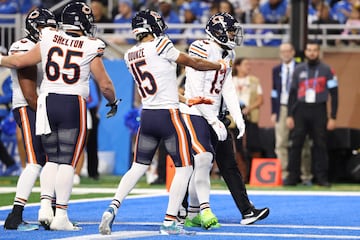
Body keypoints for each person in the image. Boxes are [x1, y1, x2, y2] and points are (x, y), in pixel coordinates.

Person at [98, 9, 229, 236]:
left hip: (148, 115)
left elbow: (157, 87)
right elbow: (193, 62)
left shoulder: (130, 54)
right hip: (169, 116)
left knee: (138, 167)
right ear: (153, 27)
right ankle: (170, 220)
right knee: (185, 167)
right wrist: (219, 66)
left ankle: (112, 207)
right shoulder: (161, 45)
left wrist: (187, 98)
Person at [0, 2, 119, 230]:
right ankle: (60, 215)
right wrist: (113, 101)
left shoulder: (49, 39)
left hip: (47, 100)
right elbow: (105, 84)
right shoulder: (91, 44)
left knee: (50, 160)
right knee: (66, 161)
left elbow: (17, 62)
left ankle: (46, 207)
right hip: (70, 102)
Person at [179, 12, 268, 229]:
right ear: (217, 31)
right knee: (196, 164)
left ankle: (247, 211)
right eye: (229, 31)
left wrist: (237, 115)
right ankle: (183, 209)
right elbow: (196, 90)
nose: (232, 35)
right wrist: (212, 119)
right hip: (197, 113)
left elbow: (226, 86)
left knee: (229, 164)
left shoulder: (228, 53)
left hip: (215, 114)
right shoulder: (201, 47)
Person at [3, 8, 57, 231]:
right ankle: (15, 216)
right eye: (47, 26)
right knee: (35, 161)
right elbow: (29, 92)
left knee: (49, 160)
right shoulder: (23, 46)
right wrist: (47, 115)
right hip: (28, 107)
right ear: (35, 27)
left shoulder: (46, 45)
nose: (52, 31)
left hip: (39, 106)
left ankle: (52, 210)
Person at [285, 40, 338, 187]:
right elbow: (292, 94)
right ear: (306, 52)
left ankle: (321, 178)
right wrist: (290, 115)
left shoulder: (327, 70)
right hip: (301, 110)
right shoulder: (298, 70)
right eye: (309, 50)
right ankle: (292, 177)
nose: (312, 52)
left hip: (319, 110)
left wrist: (333, 116)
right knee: (296, 144)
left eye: (314, 50)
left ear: (318, 52)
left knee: (320, 145)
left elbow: (335, 94)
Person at [271, 42, 313, 185]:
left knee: (303, 142)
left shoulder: (302, 68)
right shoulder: (276, 70)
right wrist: (273, 111)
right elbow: (274, 91)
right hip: (282, 107)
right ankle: (285, 174)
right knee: (281, 143)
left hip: (299, 107)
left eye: (288, 51)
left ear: (293, 52)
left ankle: (305, 175)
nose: (285, 54)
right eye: (283, 51)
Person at [231, 57, 264, 182]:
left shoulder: (254, 81)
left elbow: (260, 100)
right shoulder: (230, 80)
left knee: (252, 145)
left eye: (249, 64)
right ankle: (242, 175)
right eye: (245, 64)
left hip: (249, 116)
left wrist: (249, 108)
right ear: (237, 66)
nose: (248, 67)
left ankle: (255, 175)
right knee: (238, 146)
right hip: (234, 118)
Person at [0, 47, 20, 176]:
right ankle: (10, 163)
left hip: (4, 112)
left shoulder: (7, 73)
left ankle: (11, 164)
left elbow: (11, 94)